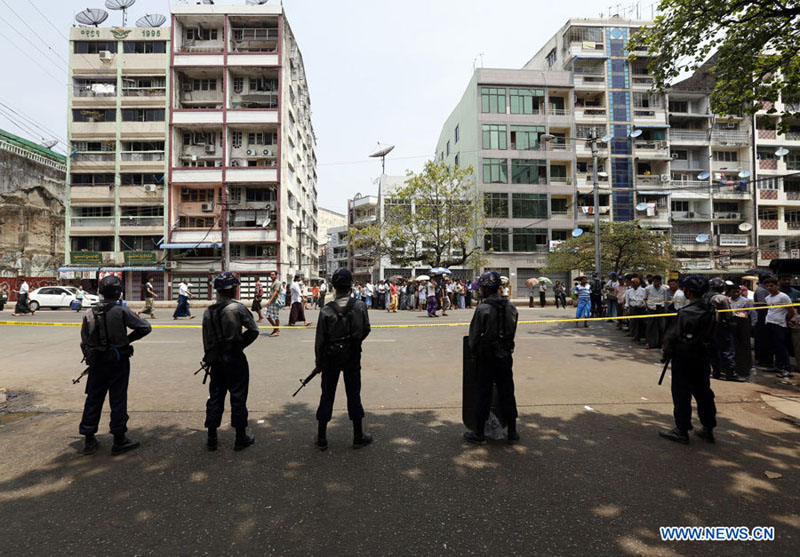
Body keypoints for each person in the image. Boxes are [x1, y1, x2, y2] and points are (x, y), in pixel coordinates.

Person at [78, 275, 152, 455]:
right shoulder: (122, 311)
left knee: (93, 399)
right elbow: (145, 327)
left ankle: (89, 440)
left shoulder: (89, 313)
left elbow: (84, 341)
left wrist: (91, 356)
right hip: (118, 361)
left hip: (97, 363)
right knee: (118, 399)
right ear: (119, 293)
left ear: (100, 292)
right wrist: (127, 340)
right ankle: (119, 439)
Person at [314, 268, 373, 451]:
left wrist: (319, 361)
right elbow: (366, 329)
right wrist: (354, 341)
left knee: (327, 395)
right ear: (350, 286)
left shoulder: (326, 310)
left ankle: (322, 437)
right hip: (352, 355)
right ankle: (357, 436)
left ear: (334, 287)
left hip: (330, 357)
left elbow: (320, 340)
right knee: (354, 394)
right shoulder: (360, 306)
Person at [202, 272, 259, 452]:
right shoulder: (238, 308)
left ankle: (212, 437)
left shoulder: (208, 312)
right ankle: (240, 437)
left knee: (216, 396)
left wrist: (210, 356)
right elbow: (253, 330)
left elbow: (206, 340)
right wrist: (240, 344)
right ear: (234, 289)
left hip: (216, 359)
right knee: (238, 396)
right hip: (234, 357)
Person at [659, 275, 717, 445]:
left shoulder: (685, 312)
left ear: (689, 292)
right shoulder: (711, 310)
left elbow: (671, 336)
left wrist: (665, 352)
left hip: (684, 356)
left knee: (681, 394)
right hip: (703, 356)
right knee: (704, 392)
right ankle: (708, 428)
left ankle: (681, 430)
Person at [463, 271, 519, 445]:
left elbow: (473, 336)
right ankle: (512, 431)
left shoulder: (483, 309)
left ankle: (479, 433)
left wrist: (473, 353)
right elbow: (512, 331)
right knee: (507, 392)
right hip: (505, 355)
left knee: (483, 393)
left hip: (486, 357)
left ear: (486, 289)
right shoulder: (511, 307)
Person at [706, 278, 741, 381]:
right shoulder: (721, 298)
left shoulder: (705, 296)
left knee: (713, 350)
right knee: (727, 350)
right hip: (721, 327)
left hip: (708, 328)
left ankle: (716, 372)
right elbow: (728, 314)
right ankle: (730, 373)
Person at [763, 275, 796, 378]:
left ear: (776, 286)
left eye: (771, 285)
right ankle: (778, 366)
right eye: (767, 286)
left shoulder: (783, 296)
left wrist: (786, 320)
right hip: (770, 322)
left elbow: (791, 311)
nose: (769, 288)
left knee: (781, 347)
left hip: (780, 324)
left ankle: (787, 369)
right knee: (774, 347)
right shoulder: (767, 298)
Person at [728, 283, 756, 378]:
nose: (736, 293)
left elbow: (752, 313)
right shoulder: (728, 300)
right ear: (730, 292)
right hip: (732, 326)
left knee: (744, 347)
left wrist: (752, 325)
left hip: (743, 326)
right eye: (734, 292)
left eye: (737, 291)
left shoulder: (746, 301)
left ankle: (745, 368)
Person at [753, 274, 772, 368]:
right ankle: (761, 359)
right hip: (761, 318)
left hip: (763, 317)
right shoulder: (761, 290)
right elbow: (762, 306)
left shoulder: (764, 290)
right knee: (762, 340)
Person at [644, 275, 668, 349]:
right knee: (650, 326)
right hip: (651, 308)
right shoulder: (647, 288)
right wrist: (647, 307)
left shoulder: (664, 289)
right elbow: (645, 298)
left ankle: (660, 343)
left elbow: (665, 299)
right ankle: (648, 342)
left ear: (660, 282)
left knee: (661, 326)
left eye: (658, 281)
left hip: (660, 308)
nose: (656, 283)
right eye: (655, 281)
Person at [624, 278, 647, 343]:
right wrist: (627, 308)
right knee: (633, 323)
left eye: (634, 282)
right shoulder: (629, 291)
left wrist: (645, 305)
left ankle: (641, 336)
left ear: (638, 283)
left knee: (641, 323)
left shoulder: (643, 290)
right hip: (633, 308)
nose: (633, 284)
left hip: (641, 308)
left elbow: (645, 299)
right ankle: (635, 336)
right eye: (632, 283)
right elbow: (627, 301)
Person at [265, 271, 283, 337]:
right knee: (267, 315)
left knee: (276, 316)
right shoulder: (273, 282)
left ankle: (277, 331)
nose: (271, 276)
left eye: (273, 275)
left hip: (275, 302)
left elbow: (276, 292)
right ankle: (276, 328)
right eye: (271, 275)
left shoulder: (277, 282)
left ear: (276, 275)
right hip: (271, 302)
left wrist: (269, 301)